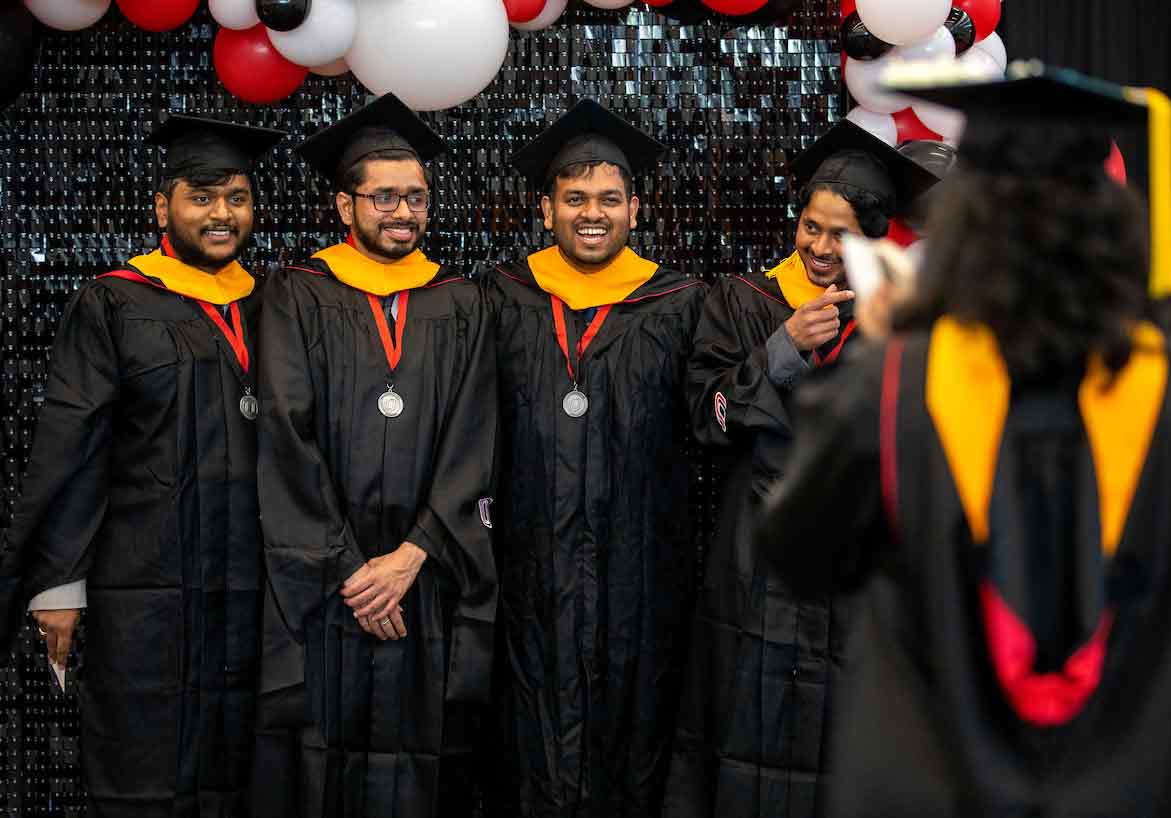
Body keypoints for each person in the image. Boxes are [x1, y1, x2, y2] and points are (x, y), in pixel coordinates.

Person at [760, 64, 1171, 816]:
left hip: (928, 784)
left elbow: (797, 551)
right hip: (1137, 783)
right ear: (1113, 226)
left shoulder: (899, 380)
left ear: (969, 224)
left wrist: (874, 355)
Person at [0, 114, 285, 816]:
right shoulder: (115, 301)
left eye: (238, 198)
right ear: (164, 206)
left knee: (245, 752)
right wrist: (59, 584)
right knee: (145, 748)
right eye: (203, 196)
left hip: (252, 579)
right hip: (144, 576)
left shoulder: (277, 304)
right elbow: (74, 441)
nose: (222, 214)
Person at [663, 119, 938, 818]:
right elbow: (707, 417)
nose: (817, 247)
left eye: (839, 234)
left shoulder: (902, 323)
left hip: (851, 565)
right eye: (810, 226)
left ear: (873, 238)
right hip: (755, 555)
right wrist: (781, 349)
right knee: (739, 731)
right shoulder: (742, 301)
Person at [252, 93, 498, 818]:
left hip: (422, 580)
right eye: (384, 196)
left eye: (416, 197)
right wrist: (350, 567)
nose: (403, 212)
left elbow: (475, 435)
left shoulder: (460, 300)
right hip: (328, 586)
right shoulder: (298, 292)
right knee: (320, 762)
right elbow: (283, 432)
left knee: (421, 768)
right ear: (344, 205)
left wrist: (414, 553)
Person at [483, 99, 708, 818]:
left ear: (635, 209)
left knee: (631, 739)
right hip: (529, 568)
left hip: (637, 570)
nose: (592, 213)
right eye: (574, 198)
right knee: (528, 736)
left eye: (609, 199)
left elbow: (715, 415)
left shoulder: (679, 302)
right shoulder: (501, 295)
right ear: (545, 208)